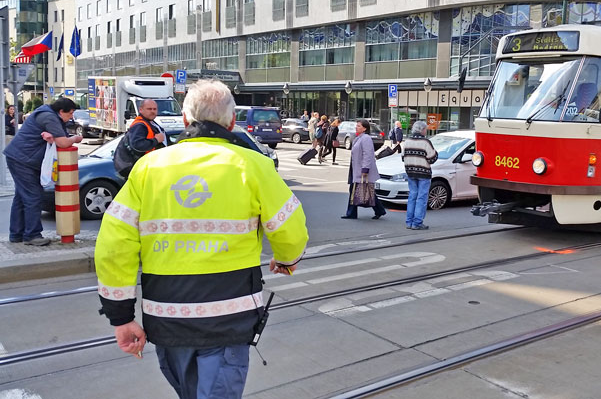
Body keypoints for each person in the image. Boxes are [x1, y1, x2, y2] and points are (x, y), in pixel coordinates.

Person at [94, 80, 308, 399]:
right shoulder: (253, 165)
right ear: (232, 121)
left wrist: (121, 317)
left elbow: (113, 246)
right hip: (229, 317)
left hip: (166, 318)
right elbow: (290, 227)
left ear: (184, 120)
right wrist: (287, 260)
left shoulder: (148, 168)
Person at [4, 98, 82, 246]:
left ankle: (16, 234)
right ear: (61, 111)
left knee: (21, 197)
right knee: (33, 196)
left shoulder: (47, 114)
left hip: (21, 158)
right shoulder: (49, 117)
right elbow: (63, 142)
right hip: (23, 160)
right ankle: (32, 235)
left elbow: (57, 137)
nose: (71, 116)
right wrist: (75, 138)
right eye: (70, 113)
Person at [341, 119, 386, 220]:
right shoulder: (359, 138)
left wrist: (365, 169)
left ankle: (351, 213)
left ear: (365, 128)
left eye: (359, 126)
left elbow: (368, 155)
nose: (356, 127)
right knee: (366, 191)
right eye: (356, 126)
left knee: (356, 190)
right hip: (356, 168)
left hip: (362, 170)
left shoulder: (366, 138)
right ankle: (380, 210)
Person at [402, 120, 438, 230]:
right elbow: (432, 158)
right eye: (425, 129)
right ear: (422, 130)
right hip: (423, 173)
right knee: (421, 198)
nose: (425, 131)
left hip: (410, 172)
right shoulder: (425, 142)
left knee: (412, 196)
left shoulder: (407, 141)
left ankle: (409, 222)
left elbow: (403, 157)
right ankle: (417, 222)